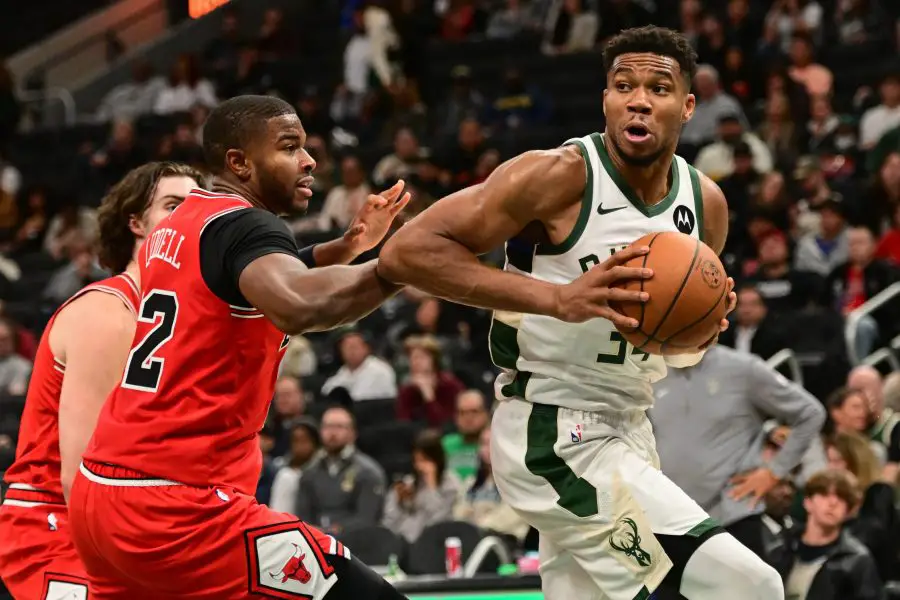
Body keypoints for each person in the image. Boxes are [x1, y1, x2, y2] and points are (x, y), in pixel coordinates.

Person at [379, 25, 782, 600]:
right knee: (750, 587)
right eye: (623, 85)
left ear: (688, 105)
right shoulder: (560, 175)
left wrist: (699, 333)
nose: (638, 99)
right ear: (606, 98)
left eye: (658, 88)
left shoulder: (704, 205)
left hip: (631, 429)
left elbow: (660, 339)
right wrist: (557, 300)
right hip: (555, 431)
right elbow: (407, 252)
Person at [67, 95, 411, 599]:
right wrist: (400, 268)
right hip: (176, 506)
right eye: (290, 147)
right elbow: (295, 304)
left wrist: (347, 247)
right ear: (239, 163)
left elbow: (251, 275)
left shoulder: (182, 222)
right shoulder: (248, 224)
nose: (309, 160)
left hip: (101, 497)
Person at [0, 162, 202, 599]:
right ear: (135, 223)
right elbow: (82, 474)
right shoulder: (109, 313)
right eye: (173, 205)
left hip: (125, 519)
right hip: (57, 521)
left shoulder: (171, 318)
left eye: (197, 207)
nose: (188, 217)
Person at [651, 345, 826, 561]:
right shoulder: (650, 371)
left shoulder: (744, 369)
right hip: (672, 521)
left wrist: (773, 472)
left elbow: (810, 413)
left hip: (733, 518)